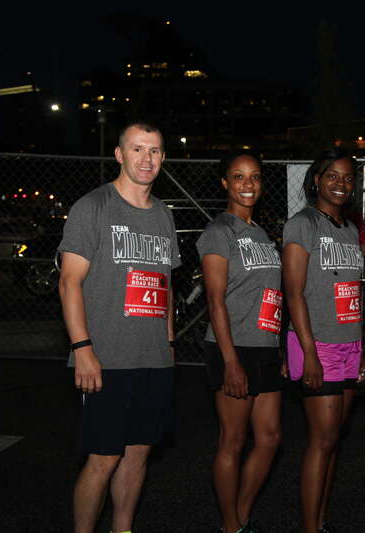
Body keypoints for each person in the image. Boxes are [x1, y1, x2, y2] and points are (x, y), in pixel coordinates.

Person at [58, 121, 181, 533]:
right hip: (106, 358)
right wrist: (83, 349)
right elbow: (69, 282)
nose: (146, 159)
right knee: (103, 457)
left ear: (163, 157)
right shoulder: (93, 207)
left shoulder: (164, 214)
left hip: (153, 359)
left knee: (138, 454)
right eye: (137, 149)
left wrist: (169, 341)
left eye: (155, 151)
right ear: (119, 154)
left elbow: (165, 284)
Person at [282, 149, 365, 533]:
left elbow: (353, 293)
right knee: (321, 441)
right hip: (316, 344)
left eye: (348, 178)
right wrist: (310, 354)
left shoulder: (351, 230)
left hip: (348, 344)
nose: (340, 183)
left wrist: (361, 348)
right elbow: (294, 292)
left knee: (333, 440)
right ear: (316, 180)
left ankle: (321, 519)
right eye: (332, 175)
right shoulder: (301, 225)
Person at [197, 153, 283, 533]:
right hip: (232, 347)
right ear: (225, 184)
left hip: (264, 347)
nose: (247, 184)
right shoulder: (219, 232)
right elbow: (215, 300)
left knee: (269, 438)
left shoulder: (262, 233)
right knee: (233, 440)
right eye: (238, 177)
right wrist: (231, 361)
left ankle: (240, 516)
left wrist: (276, 347)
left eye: (254, 177)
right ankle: (231, 526)